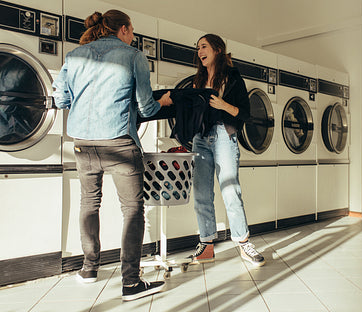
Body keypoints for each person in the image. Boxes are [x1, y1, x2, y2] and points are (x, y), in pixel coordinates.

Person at [52, 10, 172, 301]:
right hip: (118, 141)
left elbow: (60, 99)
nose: (133, 35)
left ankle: (89, 268)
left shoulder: (75, 56)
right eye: (132, 31)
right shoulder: (133, 56)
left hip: (82, 143)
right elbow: (146, 107)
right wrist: (164, 101)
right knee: (132, 209)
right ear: (125, 29)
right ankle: (130, 282)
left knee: (89, 203)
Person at [188, 34, 266, 267]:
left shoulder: (232, 77)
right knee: (201, 193)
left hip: (224, 135)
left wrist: (223, 105)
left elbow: (245, 113)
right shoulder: (198, 78)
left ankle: (244, 244)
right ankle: (206, 244)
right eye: (198, 47)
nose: (200, 51)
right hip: (200, 138)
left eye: (204, 46)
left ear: (218, 50)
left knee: (231, 191)